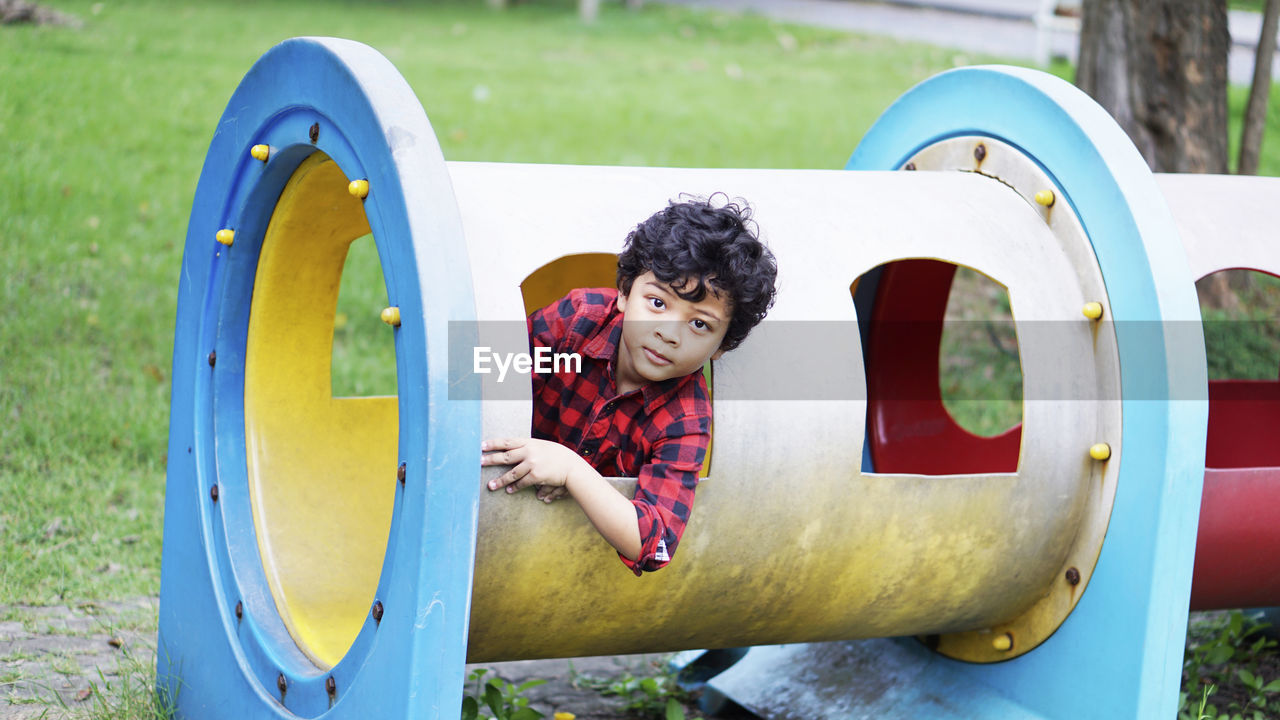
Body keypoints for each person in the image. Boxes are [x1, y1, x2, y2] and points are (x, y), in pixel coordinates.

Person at [480, 194, 778, 575]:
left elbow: (655, 546)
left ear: (722, 347)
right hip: (489, 510)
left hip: (570, 570)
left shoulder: (685, 418)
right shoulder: (578, 321)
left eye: (699, 324)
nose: (668, 333)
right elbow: (486, 378)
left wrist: (572, 471)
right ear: (624, 292)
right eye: (657, 303)